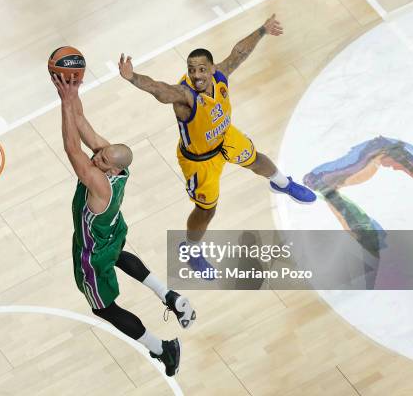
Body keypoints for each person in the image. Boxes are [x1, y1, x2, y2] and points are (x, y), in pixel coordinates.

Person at [118, 14, 316, 275]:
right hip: (200, 160)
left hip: (225, 138)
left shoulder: (220, 77)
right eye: (191, 70)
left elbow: (238, 53)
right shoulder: (185, 95)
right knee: (206, 210)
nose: (196, 75)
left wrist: (263, 30)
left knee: (257, 159)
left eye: (201, 69)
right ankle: (189, 248)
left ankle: (282, 184)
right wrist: (133, 78)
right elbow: (160, 89)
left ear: (211, 69)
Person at [51, 72, 196, 377]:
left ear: (112, 169)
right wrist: (71, 92)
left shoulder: (100, 185)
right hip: (113, 231)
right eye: (100, 154)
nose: (96, 159)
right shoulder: (116, 164)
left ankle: (161, 348)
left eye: (102, 161)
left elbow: (72, 150)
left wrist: (65, 103)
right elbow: (82, 125)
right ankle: (170, 295)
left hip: (93, 251)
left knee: (103, 308)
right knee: (118, 255)